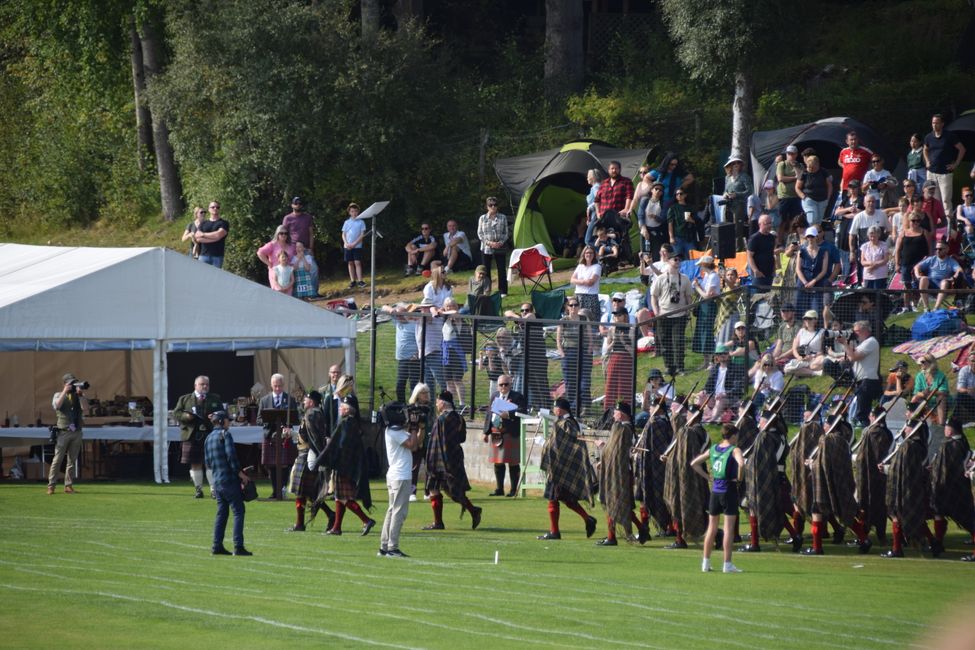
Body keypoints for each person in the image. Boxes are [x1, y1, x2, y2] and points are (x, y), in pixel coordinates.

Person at [802, 411, 872, 556]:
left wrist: (810, 465)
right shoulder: (843, 441)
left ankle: (817, 547)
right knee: (843, 512)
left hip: (824, 482)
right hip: (840, 481)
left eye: (826, 424)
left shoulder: (826, 440)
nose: (824, 427)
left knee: (817, 511)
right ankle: (864, 539)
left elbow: (822, 463)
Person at [537, 398, 598, 540]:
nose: (554, 410)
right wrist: (546, 443)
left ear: (561, 409)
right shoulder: (560, 422)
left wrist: (545, 444)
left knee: (555, 499)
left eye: (556, 408)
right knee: (565, 499)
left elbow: (570, 445)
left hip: (561, 468)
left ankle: (555, 532)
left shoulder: (568, 424)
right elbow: (556, 443)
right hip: (558, 467)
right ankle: (587, 519)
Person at [422, 391, 482, 531]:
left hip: (440, 460)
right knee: (447, 490)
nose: (436, 404)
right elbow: (462, 438)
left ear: (442, 403)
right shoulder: (459, 418)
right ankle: (469, 512)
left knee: (449, 490)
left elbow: (438, 443)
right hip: (455, 457)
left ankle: (472, 511)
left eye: (437, 402)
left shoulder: (442, 420)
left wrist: (433, 462)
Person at [691, 424, 745, 573]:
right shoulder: (735, 449)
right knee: (728, 529)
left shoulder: (714, 448)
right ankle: (727, 564)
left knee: (711, 528)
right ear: (733, 436)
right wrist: (739, 478)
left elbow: (694, 464)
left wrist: (708, 477)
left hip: (715, 491)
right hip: (729, 490)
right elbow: (741, 463)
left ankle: (705, 563)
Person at [596, 402, 649, 546]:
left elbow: (618, 451)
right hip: (614, 469)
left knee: (617, 503)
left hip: (621, 471)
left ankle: (612, 537)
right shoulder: (618, 428)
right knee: (615, 502)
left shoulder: (624, 429)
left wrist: (602, 447)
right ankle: (636, 529)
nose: (613, 414)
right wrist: (604, 458)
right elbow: (612, 450)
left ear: (622, 414)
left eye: (615, 412)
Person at [322, 393, 375, 536]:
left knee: (344, 498)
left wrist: (332, 458)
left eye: (342, 406)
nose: (340, 408)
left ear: (348, 409)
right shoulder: (352, 422)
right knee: (339, 497)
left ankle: (366, 520)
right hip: (348, 465)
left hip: (343, 466)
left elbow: (342, 445)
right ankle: (336, 528)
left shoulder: (346, 422)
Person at [662, 400, 710, 549]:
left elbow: (695, 454)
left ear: (695, 416)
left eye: (688, 414)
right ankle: (680, 538)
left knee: (692, 507)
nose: (686, 416)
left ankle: (712, 533)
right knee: (680, 505)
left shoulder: (695, 432)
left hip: (692, 476)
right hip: (683, 474)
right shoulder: (686, 431)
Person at [205, 410, 252, 556]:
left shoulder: (208, 438)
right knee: (239, 511)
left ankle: (216, 545)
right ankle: (238, 546)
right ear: (221, 421)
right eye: (227, 420)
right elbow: (231, 457)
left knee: (222, 514)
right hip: (229, 480)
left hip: (217, 480)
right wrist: (242, 475)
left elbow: (208, 462)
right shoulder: (225, 435)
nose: (229, 422)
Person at [378, 401, 419, 558]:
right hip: (400, 476)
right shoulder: (395, 432)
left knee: (391, 510)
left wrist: (417, 427)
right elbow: (412, 445)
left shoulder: (393, 430)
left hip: (395, 475)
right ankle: (392, 547)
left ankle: (384, 546)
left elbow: (416, 441)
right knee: (399, 512)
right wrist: (414, 427)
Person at [930, 418, 975, 557]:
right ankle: (938, 542)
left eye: (947, 427)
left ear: (951, 429)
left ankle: (938, 542)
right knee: (939, 513)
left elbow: (948, 468)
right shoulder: (959, 442)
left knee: (967, 517)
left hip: (951, 487)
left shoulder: (951, 445)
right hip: (952, 486)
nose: (945, 429)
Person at [285, 391, 329, 532]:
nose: (304, 402)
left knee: (301, 491)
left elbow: (314, 438)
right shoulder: (314, 413)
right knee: (308, 492)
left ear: (312, 401)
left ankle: (300, 524)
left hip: (306, 454)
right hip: (306, 453)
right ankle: (330, 514)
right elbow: (308, 434)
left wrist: (319, 455)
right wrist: (292, 433)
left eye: (306, 400)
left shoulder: (311, 414)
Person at [173, 375, 223, 498]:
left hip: (211, 434)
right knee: (195, 463)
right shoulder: (185, 399)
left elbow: (223, 413)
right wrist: (186, 417)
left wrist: (216, 417)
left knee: (211, 463)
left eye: (207, 384)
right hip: (192, 435)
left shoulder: (215, 398)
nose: (205, 386)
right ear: (195, 386)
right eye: (202, 384)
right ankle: (198, 490)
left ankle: (213, 490)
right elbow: (176, 413)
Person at [853, 405, 893, 544]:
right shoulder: (873, 431)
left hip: (872, 475)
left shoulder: (877, 432)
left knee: (874, 504)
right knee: (865, 504)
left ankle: (876, 535)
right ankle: (864, 534)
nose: (869, 417)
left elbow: (876, 456)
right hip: (867, 474)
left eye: (871, 415)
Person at [649, 253, 694, 377]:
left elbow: (689, 296)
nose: (678, 261)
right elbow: (653, 296)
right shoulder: (661, 278)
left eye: (679, 259)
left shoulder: (684, 278)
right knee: (665, 343)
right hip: (664, 315)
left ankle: (680, 367)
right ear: (668, 261)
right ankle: (669, 367)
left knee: (678, 342)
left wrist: (688, 309)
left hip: (680, 315)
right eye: (675, 259)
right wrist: (656, 312)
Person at [257, 373, 301, 499]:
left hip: (285, 437)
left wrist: (288, 426)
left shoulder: (290, 399)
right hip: (269, 435)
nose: (277, 388)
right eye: (275, 386)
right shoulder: (264, 400)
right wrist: (269, 419)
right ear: (271, 385)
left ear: (283, 385)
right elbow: (259, 419)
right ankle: (275, 491)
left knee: (285, 464)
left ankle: (282, 490)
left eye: (280, 386)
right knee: (271, 465)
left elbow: (296, 419)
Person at [482, 374, 527, 497]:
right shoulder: (495, 396)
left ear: (510, 384)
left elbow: (523, 410)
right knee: (498, 461)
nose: (503, 387)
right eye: (501, 385)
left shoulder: (517, 396)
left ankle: (513, 490)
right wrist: (485, 432)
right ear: (498, 386)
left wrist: (509, 413)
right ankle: (499, 489)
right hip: (496, 431)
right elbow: (489, 415)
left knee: (513, 461)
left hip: (510, 431)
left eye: (506, 384)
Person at [47, 373, 88, 495]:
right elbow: (57, 406)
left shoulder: (78, 395)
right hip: (63, 431)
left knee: (72, 460)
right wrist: (65, 391)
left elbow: (86, 409)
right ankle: (51, 485)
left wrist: (81, 395)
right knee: (57, 459)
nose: (73, 385)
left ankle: (68, 485)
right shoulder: (58, 395)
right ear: (65, 384)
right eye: (70, 383)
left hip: (77, 431)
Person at [838, 320, 881, 427]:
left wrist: (844, 343)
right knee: (862, 410)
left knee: (863, 413)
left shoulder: (871, 341)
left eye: (856, 331)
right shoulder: (863, 343)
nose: (854, 333)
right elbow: (851, 357)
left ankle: (865, 431)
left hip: (868, 380)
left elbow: (854, 357)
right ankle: (864, 429)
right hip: (861, 380)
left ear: (865, 330)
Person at [556, 298, 593, 417]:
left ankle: (585, 405)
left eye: (576, 305)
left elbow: (589, 335)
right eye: (571, 305)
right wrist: (562, 353)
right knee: (570, 381)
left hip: (583, 352)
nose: (573, 307)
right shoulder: (563, 321)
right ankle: (572, 407)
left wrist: (589, 348)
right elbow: (558, 339)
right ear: (567, 307)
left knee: (584, 382)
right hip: (568, 352)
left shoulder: (583, 318)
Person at [924, 113, 967, 214]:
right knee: (934, 199)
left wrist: (956, 164)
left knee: (946, 200)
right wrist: (927, 161)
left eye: (937, 123)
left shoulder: (950, 136)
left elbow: (962, 149)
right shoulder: (928, 137)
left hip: (945, 173)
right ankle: (937, 223)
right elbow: (925, 149)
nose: (934, 125)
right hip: (931, 173)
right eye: (933, 123)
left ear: (942, 124)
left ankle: (948, 226)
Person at [381, 303, 420, 403]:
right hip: (402, 359)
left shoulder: (414, 324)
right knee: (400, 385)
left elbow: (421, 341)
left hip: (414, 359)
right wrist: (391, 310)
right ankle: (402, 406)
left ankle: (413, 407)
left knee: (413, 385)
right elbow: (383, 307)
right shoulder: (397, 322)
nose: (400, 317)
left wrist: (417, 354)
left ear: (407, 314)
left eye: (402, 315)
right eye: (398, 315)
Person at [893, 210, 930, 313]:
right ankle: (906, 306)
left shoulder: (924, 232)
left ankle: (915, 304)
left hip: (920, 263)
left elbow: (929, 249)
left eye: (918, 221)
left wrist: (928, 261)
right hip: (906, 262)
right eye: (913, 221)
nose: (915, 223)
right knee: (906, 284)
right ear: (909, 221)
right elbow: (898, 249)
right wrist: (897, 263)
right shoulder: (903, 233)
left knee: (918, 284)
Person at [698, 345, 744, 423]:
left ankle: (712, 420)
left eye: (724, 353)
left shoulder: (736, 368)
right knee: (701, 396)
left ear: (728, 355)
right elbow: (708, 385)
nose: (722, 355)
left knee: (720, 400)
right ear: (716, 356)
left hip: (729, 397)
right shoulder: (714, 369)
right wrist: (704, 391)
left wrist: (724, 394)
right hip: (714, 397)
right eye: (719, 354)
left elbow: (738, 388)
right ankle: (701, 417)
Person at [914, 241, 962, 311]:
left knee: (944, 282)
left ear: (947, 249)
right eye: (936, 249)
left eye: (940, 249)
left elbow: (960, 270)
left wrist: (953, 278)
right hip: (930, 283)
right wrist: (918, 276)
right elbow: (916, 267)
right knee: (923, 279)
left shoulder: (951, 261)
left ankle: (936, 308)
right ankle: (926, 308)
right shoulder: (931, 259)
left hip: (943, 284)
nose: (937, 251)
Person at [406, 382, 434, 502]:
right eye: (423, 393)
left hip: (429, 440)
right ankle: (412, 492)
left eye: (427, 392)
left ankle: (427, 491)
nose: (426, 395)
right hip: (415, 440)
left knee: (429, 468)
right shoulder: (412, 407)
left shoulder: (431, 407)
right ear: (417, 394)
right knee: (414, 467)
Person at [477, 197, 509, 296]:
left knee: (501, 269)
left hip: (500, 246)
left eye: (495, 205)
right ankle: (487, 290)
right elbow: (480, 233)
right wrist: (489, 243)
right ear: (487, 207)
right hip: (486, 247)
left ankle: (503, 291)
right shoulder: (482, 218)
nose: (493, 207)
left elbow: (506, 233)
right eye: (491, 205)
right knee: (486, 270)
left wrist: (500, 242)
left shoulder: (502, 217)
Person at [691, 256, 720, 364]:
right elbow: (705, 293)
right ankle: (706, 361)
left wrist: (697, 287)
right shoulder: (707, 276)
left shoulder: (713, 276)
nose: (700, 268)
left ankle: (712, 361)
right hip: (703, 306)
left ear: (705, 265)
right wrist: (698, 286)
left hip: (710, 305)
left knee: (708, 332)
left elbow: (707, 296)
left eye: (701, 265)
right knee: (702, 331)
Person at [602, 308, 634, 408]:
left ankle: (625, 408)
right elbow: (607, 349)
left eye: (619, 315)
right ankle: (609, 409)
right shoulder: (611, 329)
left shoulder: (631, 329)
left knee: (624, 385)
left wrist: (623, 342)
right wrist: (614, 342)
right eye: (615, 315)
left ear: (625, 316)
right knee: (611, 384)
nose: (617, 317)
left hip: (626, 360)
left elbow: (633, 351)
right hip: (614, 359)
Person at [439, 298, 467, 410]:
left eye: (451, 305)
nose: (449, 308)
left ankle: (462, 404)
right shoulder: (445, 319)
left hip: (456, 352)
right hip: (446, 352)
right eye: (447, 306)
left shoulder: (457, 317)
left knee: (457, 380)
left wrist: (442, 311)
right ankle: (450, 403)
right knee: (448, 380)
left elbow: (455, 313)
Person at [795, 226, 830, 314]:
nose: (810, 238)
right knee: (800, 310)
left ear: (816, 237)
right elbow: (798, 269)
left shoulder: (824, 251)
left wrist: (813, 282)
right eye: (808, 236)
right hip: (803, 283)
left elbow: (824, 271)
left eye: (812, 236)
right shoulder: (801, 251)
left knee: (816, 310)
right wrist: (805, 282)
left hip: (817, 283)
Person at [776, 145, 805, 244]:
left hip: (796, 196)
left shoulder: (800, 165)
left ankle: (793, 241)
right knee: (782, 221)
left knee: (795, 221)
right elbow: (780, 178)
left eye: (792, 154)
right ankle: (779, 242)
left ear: (796, 155)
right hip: (784, 196)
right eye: (788, 154)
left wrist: (795, 169)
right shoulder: (782, 165)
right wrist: (794, 178)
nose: (790, 156)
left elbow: (801, 177)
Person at [722, 157, 752, 249]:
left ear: (740, 165)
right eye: (733, 163)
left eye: (737, 163)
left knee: (737, 228)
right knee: (728, 227)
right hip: (728, 205)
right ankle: (729, 248)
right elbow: (724, 191)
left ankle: (738, 249)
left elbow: (750, 191)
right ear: (730, 166)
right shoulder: (727, 177)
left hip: (739, 205)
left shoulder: (744, 177)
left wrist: (737, 194)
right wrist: (726, 194)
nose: (735, 165)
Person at [795, 155, 833, 227]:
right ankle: (810, 235)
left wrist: (828, 198)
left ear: (818, 164)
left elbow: (829, 185)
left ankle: (816, 237)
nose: (811, 169)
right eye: (809, 167)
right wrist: (803, 197)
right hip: (809, 199)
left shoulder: (823, 172)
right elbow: (797, 187)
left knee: (819, 221)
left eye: (813, 167)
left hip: (822, 199)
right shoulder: (804, 173)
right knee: (812, 219)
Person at [257, 225, 296, 291]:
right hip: (275, 273)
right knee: (278, 292)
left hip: (288, 272)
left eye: (286, 233)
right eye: (281, 233)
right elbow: (260, 253)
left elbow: (297, 255)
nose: (284, 235)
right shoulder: (272, 244)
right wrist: (269, 264)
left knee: (288, 294)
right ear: (277, 234)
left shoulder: (291, 246)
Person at [746, 214, 779, 290]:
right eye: (766, 223)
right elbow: (749, 255)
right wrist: (755, 270)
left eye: (770, 223)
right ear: (760, 224)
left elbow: (771, 254)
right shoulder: (755, 238)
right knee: (758, 297)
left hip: (769, 273)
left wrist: (774, 269)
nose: (769, 225)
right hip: (759, 275)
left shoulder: (771, 238)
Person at [570, 245, 602, 321]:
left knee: (591, 319)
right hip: (579, 296)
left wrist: (578, 282)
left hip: (591, 297)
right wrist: (584, 281)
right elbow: (572, 280)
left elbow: (591, 282)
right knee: (579, 319)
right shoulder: (580, 266)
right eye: (587, 253)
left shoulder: (597, 267)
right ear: (584, 254)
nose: (589, 254)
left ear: (594, 255)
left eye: (591, 253)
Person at [195, 200, 229, 268]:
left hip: (217, 256)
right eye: (213, 207)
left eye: (217, 207)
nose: (215, 208)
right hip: (203, 256)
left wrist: (203, 234)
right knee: (200, 277)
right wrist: (215, 239)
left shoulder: (224, 223)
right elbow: (197, 238)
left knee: (215, 278)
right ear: (209, 209)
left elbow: (218, 235)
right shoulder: (203, 223)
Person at [341, 202, 367, 289]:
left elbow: (362, 234)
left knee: (357, 262)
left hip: (357, 246)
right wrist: (346, 243)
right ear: (349, 212)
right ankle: (353, 281)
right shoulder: (346, 222)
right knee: (350, 263)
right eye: (352, 211)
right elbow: (343, 234)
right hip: (347, 246)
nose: (354, 213)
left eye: (355, 211)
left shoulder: (361, 222)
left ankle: (360, 280)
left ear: (358, 212)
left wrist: (355, 243)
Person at [665, 187, 696, 258]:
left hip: (689, 237)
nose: (679, 195)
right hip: (677, 237)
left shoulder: (690, 207)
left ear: (685, 195)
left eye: (681, 193)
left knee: (692, 258)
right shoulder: (672, 208)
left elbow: (697, 222)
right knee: (677, 259)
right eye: (677, 194)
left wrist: (691, 220)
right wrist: (671, 237)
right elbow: (670, 223)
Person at [858, 225, 890, 289]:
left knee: (879, 295)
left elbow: (886, 259)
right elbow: (862, 261)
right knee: (868, 295)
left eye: (874, 236)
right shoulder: (864, 246)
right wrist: (871, 263)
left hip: (881, 274)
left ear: (878, 235)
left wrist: (874, 265)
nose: (872, 238)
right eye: (871, 236)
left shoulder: (884, 245)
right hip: (868, 274)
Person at [953, 349, 975, 424]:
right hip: (969, 397)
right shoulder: (964, 370)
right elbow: (959, 388)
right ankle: (956, 421)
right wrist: (968, 390)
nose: (974, 363)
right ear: (968, 362)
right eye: (972, 361)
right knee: (959, 396)